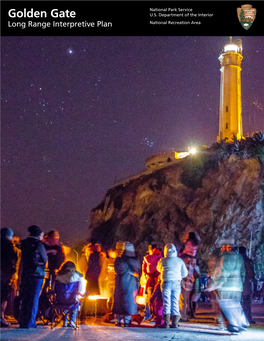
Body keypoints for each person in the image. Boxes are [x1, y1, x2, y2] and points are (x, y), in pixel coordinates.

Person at [207, 238, 246, 333]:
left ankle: (228, 325)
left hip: (226, 287)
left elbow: (223, 273)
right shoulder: (239, 257)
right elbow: (243, 273)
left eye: (223, 246)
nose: (222, 248)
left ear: (227, 247)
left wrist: (214, 284)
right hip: (237, 287)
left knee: (224, 307)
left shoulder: (226, 257)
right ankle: (239, 324)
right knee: (235, 306)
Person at [19, 225, 48, 328]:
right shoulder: (39, 244)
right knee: (34, 298)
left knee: (25, 297)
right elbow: (44, 259)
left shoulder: (24, 243)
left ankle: (22, 321)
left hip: (25, 273)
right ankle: (30, 322)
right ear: (39, 234)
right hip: (37, 274)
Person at [157, 243, 188, 329]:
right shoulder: (179, 260)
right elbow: (185, 273)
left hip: (166, 283)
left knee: (166, 302)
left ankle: (166, 323)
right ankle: (175, 323)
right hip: (177, 283)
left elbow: (158, 269)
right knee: (175, 302)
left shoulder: (162, 260)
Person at [113, 242, 140, 327]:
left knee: (119, 301)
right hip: (130, 283)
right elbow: (138, 270)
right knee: (129, 301)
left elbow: (116, 269)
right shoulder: (133, 260)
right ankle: (127, 321)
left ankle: (118, 320)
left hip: (119, 282)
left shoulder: (118, 260)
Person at [55, 261, 86, 328]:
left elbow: (55, 289)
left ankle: (65, 321)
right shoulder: (77, 276)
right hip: (72, 301)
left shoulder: (58, 276)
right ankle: (72, 321)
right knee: (74, 299)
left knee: (65, 297)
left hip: (60, 301)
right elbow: (81, 289)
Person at [179, 232, 200, 322]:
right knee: (186, 299)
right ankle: (186, 314)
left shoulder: (185, 257)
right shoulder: (194, 255)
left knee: (183, 299)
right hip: (190, 280)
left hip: (184, 280)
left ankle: (183, 316)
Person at [1, 228, 18, 327]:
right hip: (4, 274)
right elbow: (13, 259)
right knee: (3, 297)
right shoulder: (8, 245)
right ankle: (1, 317)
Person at [142, 244, 162, 322]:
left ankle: (150, 314)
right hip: (159, 280)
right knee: (158, 298)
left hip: (150, 280)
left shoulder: (146, 258)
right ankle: (157, 315)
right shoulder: (161, 257)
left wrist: (147, 275)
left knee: (150, 298)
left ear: (152, 249)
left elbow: (144, 270)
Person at [239, 246, 257, 324]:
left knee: (239, 302)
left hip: (237, 284)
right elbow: (251, 273)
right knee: (246, 302)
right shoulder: (248, 261)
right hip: (246, 283)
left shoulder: (236, 260)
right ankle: (247, 318)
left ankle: (239, 318)